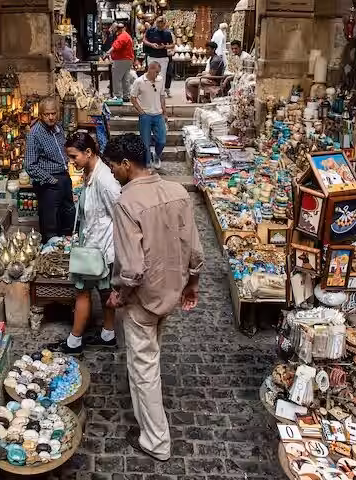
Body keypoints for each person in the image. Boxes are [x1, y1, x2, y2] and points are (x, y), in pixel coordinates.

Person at [103, 133, 204, 462]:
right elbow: (195, 249)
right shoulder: (177, 191)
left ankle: (156, 441)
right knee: (151, 355)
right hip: (172, 292)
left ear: (127, 165)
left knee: (143, 367)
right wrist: (192, 284)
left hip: (143, 300)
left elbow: (131, 268)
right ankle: (153, 429)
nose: (113, 173)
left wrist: (120, 294)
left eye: (113, 167)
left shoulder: (126, 202)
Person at [48, 132, 121, 355]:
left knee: (83, 291)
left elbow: (120, 213)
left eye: (73, 156)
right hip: (94, 245)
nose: (71, 161)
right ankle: (108, 334)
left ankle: (74, 341)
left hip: (99, 248)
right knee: (105, 290)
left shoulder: (104, 179)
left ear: (88, 153)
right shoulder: (91, 172)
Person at [25, 97, 76, 241]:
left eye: (53, 113)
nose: (51, 117)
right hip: (49, 183)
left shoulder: (59, 128)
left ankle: (64, 252)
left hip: (64, 177)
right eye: (47, 114)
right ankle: (49, 255)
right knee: (50, 224)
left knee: (68, 217)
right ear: (40, 115)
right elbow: (29, 165)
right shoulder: (35, 134)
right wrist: (51, 180)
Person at [130, 61, 167, 167]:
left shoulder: (160, 80)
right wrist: (140, 111)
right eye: (156, 72)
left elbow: (162, 96)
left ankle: (156, 155)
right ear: (150, 69)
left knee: (162, 140)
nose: (157, 75)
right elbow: (133, 97)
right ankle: (147, 162)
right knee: (145, 142)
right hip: (146, 115)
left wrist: (165, 112)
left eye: (158, 72)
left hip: (158, 114)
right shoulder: (139, 81)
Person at [141, 16, 174, 97]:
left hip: (163, 57)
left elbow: (172, 45)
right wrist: (151, 44)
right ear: (156, 23)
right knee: (151, 74)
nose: (160, 27)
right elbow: (144, 40)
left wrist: (165, 47)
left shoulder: (167, 33)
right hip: (152, 56)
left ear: (164, 24)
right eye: (158, 25)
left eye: (162, 25)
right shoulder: (150, 30)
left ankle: (160, 92)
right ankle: (150, 91)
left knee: (162, 76)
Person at [104, 22, 134, 103]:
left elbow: (116, 46)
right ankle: (126, 96)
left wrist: (108, 53)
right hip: (127, 59)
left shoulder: (123, 36)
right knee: (125, 78)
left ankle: (117, 96)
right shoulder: (126, 35)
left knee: (117, 78)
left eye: (115, 29)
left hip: (122, 60)